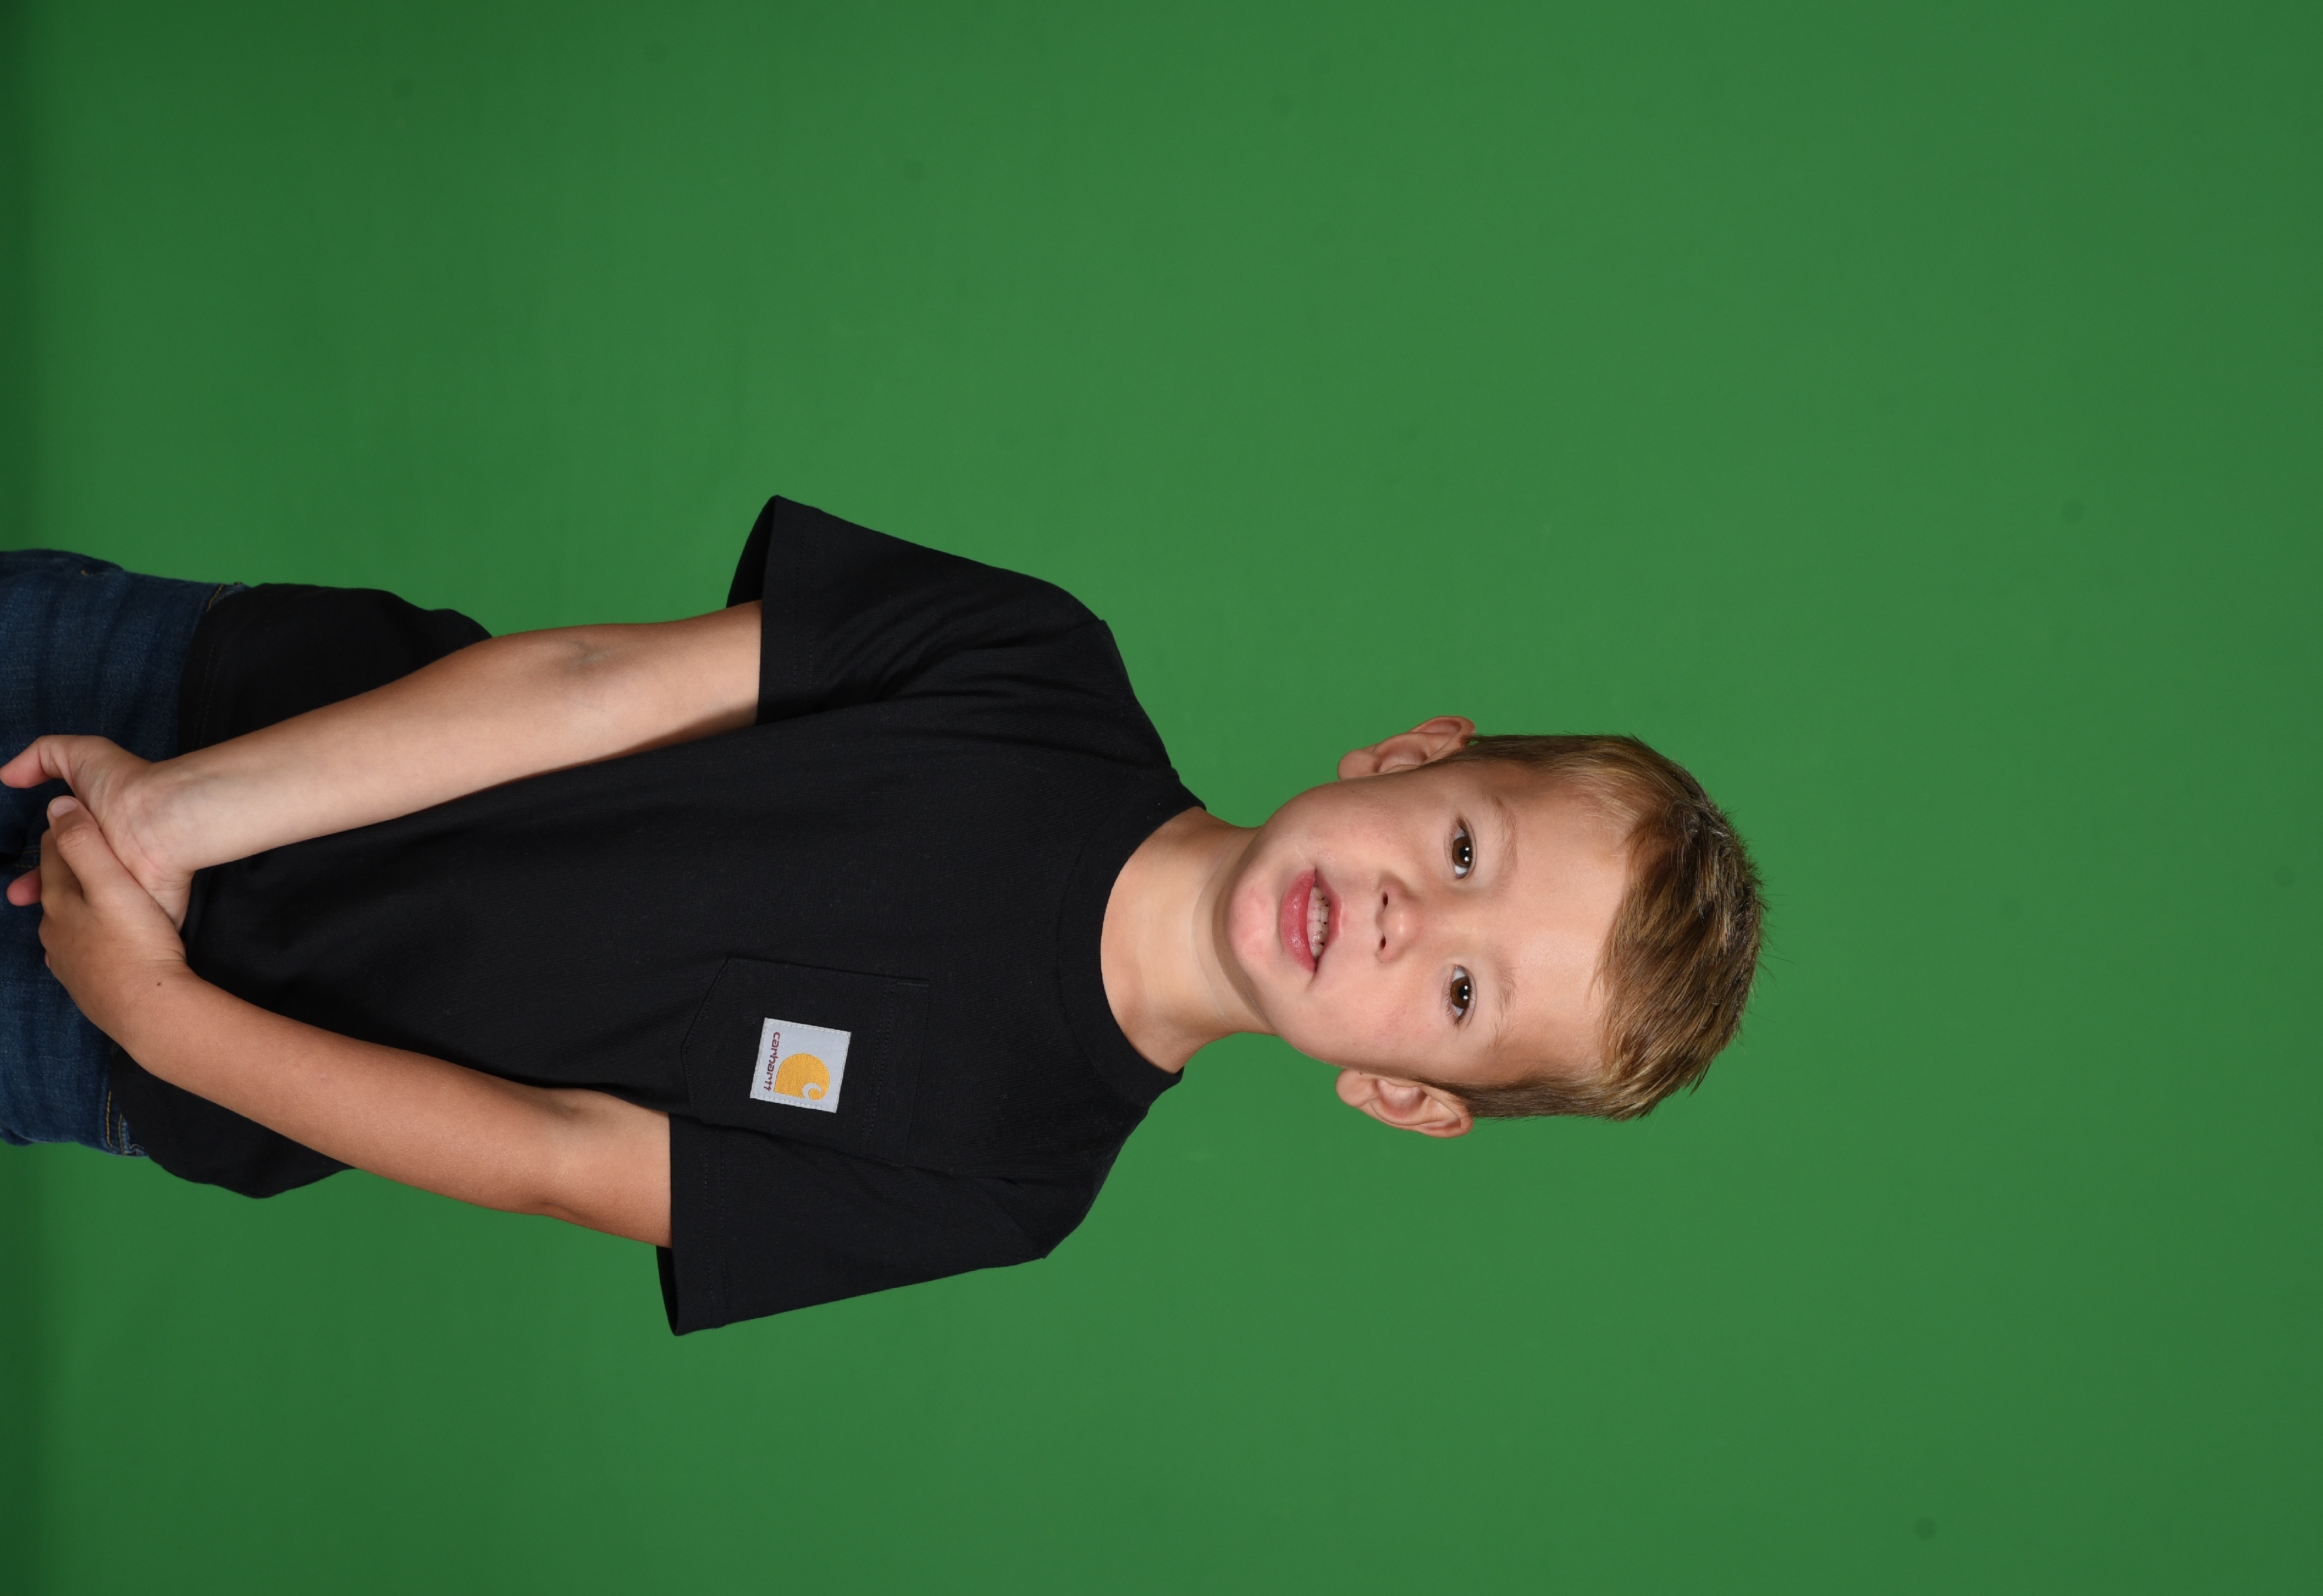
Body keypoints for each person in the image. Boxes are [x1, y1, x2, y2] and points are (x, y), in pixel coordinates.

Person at [1, 499, 1764, 1332]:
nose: (1398, 922)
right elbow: (591, 684)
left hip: (146, 1039)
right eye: (1458, 851)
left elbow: (556, 1154)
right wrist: (184, 804)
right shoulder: (1037, 664)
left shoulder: (1010, 1177)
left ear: (1403, 1096)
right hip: (200, 703)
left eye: (1461, 994)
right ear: (1410, 754)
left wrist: (159, 1014)